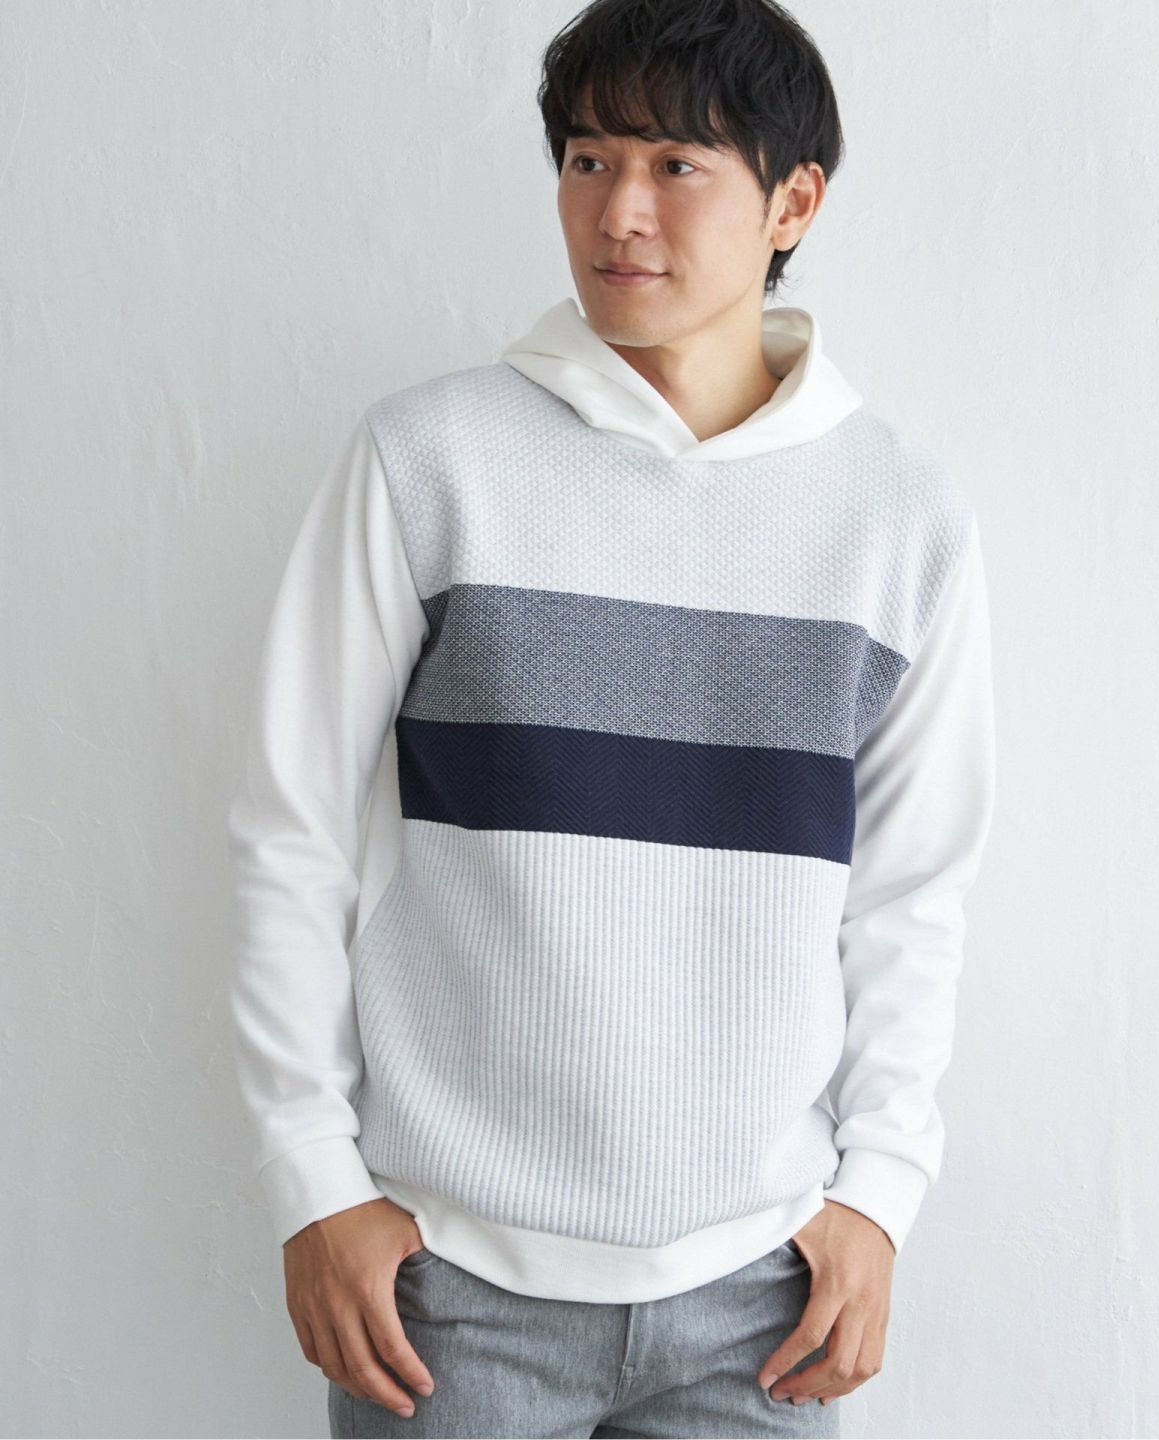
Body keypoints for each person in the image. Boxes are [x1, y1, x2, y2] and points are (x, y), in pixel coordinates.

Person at [225, 1, 997, 1435]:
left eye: (674, 165)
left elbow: (910, 896)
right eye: (588, 160)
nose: (617, 211)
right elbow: (290, 834)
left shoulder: (899, 520)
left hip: (764, 1296)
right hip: (448, 1288)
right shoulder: (430, 462)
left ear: (793, 202)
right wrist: (314, 1184)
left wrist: (880, 1196)